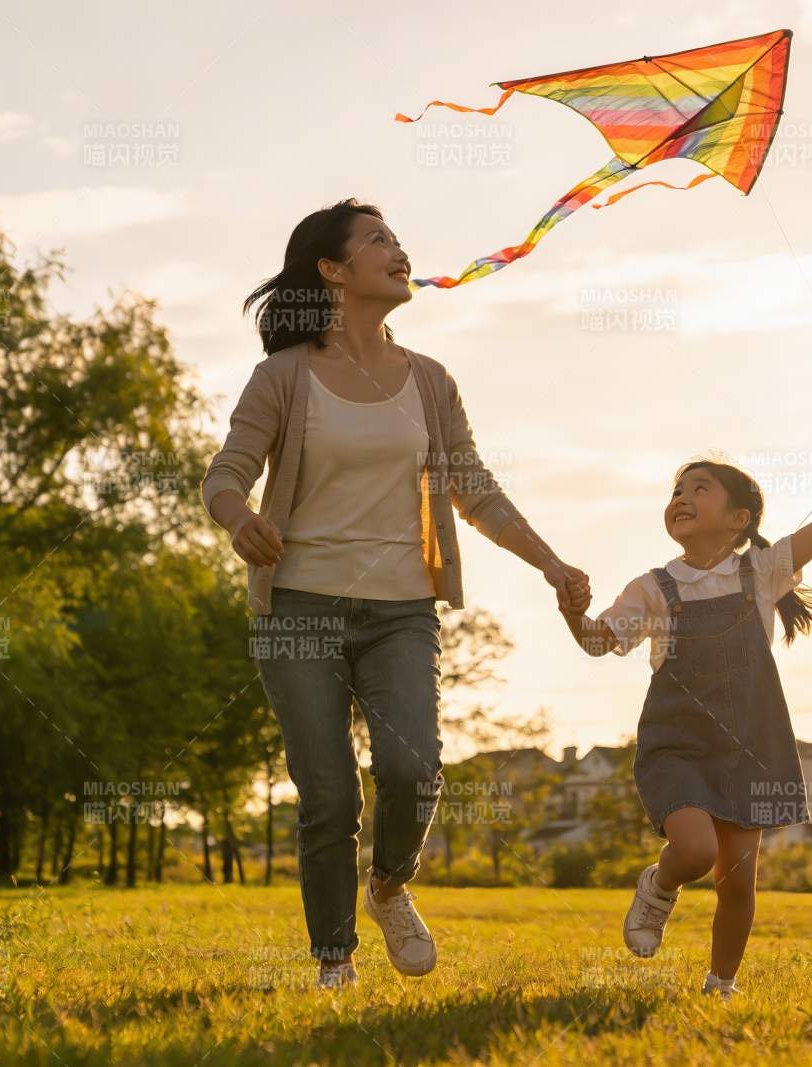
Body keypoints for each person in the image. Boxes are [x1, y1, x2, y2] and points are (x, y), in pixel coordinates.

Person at [202, 198, 591, 990]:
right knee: (329, 793)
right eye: (379, 240)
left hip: (401, 609)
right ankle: (334, 958)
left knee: (412, 766)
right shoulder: (284, 375)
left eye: (399, 238)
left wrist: (551, 563)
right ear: (334, 271)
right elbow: (226, 472)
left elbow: (474, 489)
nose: (399, 250)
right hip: (300, 606)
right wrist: (239, 517)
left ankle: (388, 885)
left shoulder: (431, 380)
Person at [558, 419, 812, 998]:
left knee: (736, 882)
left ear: (739, 519)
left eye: (700, 488)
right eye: (677, 492)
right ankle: (659, 887)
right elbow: (596, 641)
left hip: (748, 745)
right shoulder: (654, 587)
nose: (682, 498)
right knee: (695, 849)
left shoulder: (761, 574)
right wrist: (572, 611)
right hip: (677, 744)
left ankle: (721, 984)